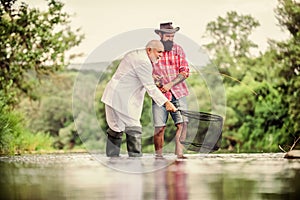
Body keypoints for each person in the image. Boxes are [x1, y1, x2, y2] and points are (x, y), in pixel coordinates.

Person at [101, 40, 177, 157]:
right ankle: (135, 161)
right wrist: (166, 102)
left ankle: (112, 163)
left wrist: (151, 77)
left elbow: (132, 72)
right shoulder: (144, 62)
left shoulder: (134, 54)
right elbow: (150, 88)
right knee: (133, 126)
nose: (161, 55)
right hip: (122, 98)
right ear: (149, 50)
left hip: (111, 94)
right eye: (159, 52)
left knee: (115, 128)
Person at [152, 22, 190, 159]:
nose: (170, 38)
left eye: (172, 36)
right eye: (167, 36)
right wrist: (157, 82)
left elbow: (185, 72)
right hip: (159, 95)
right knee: (159, 127)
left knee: (182, 124)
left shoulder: (179, 50)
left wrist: (170, 84)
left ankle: (179, 155)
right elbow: (147, 73)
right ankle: (159, 157)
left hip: (179, 93)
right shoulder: (153, 50)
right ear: (160, 35)